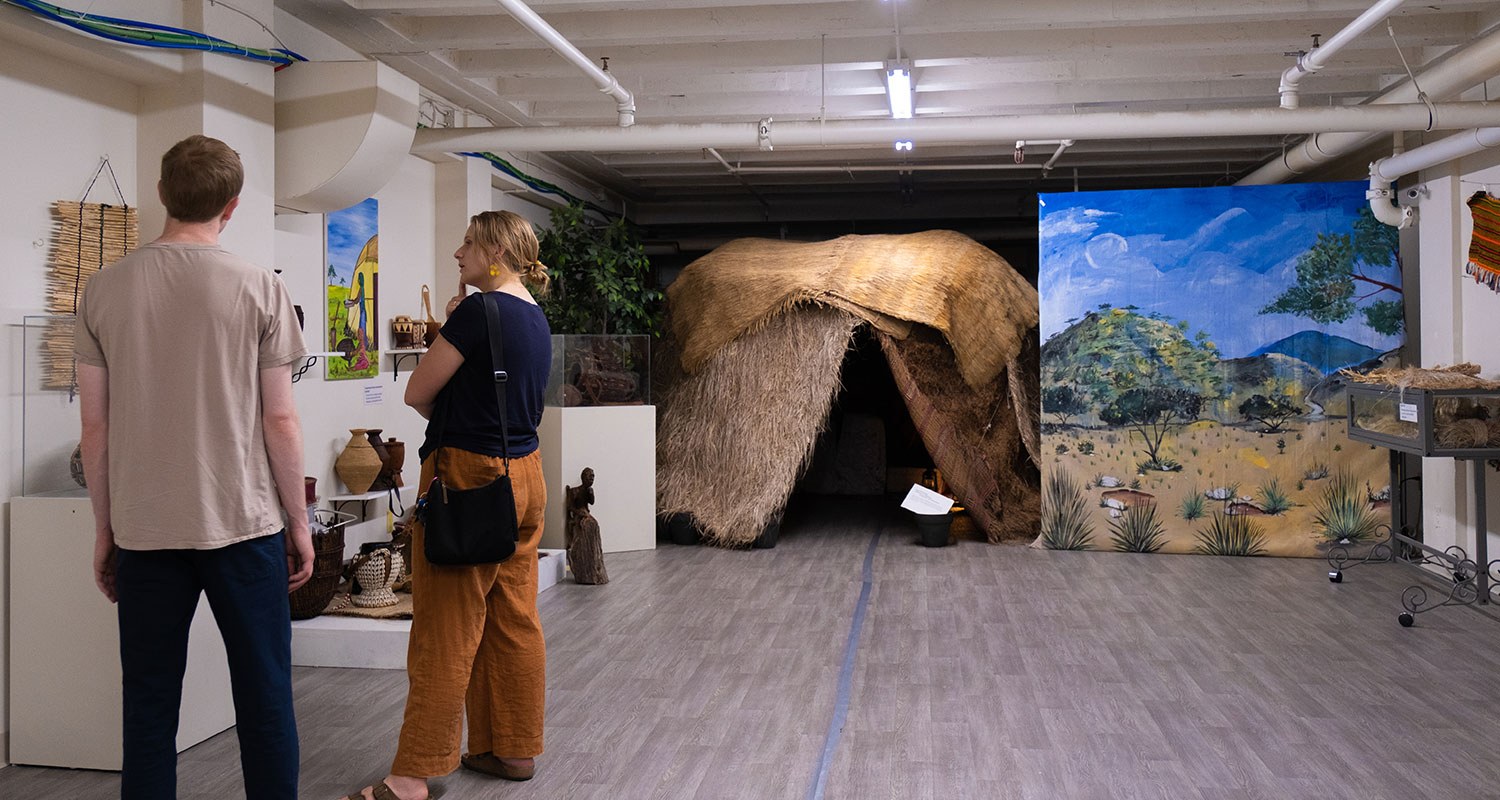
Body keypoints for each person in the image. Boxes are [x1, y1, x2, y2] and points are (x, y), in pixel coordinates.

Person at [75, 134, 314, 799]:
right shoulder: (260, 288)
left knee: (148, 710)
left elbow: (96, 426)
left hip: (146, 531)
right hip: (244, 524)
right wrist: (300, 521)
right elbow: (280, 420)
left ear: (160, 193)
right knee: (265, 701)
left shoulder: (102, 290)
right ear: (232, 206)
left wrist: (105, 529)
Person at [344, 211, 552, 800]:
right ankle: (513, 748)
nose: (457, 254)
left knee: (446, 626)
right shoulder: (534, 316)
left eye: (467, 244)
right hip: (524, 476)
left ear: (495, 252)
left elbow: (416, 393)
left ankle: (413, 775)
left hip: (468, 478)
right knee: (514, 616)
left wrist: (454, 324)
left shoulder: (477, 314)